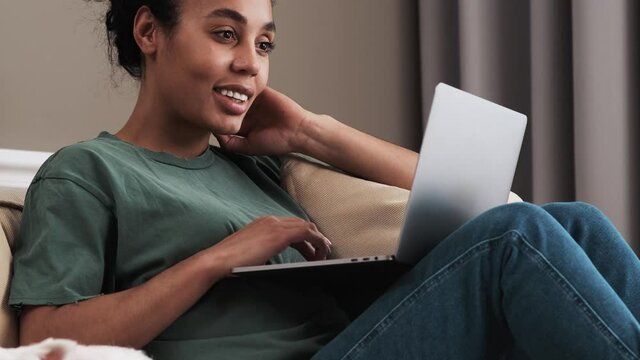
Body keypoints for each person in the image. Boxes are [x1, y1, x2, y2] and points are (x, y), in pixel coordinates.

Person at [8, 0, 640, 359]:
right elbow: (44, 339)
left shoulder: (249, 164)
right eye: (226, 34)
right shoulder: (87, 173)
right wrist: (218, 259)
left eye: (264, 45)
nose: (249, 65)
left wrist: (313, 132)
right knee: (515, 239)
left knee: (573, 220)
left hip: (356, 341)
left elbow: (493, 203)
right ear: (150, 31)